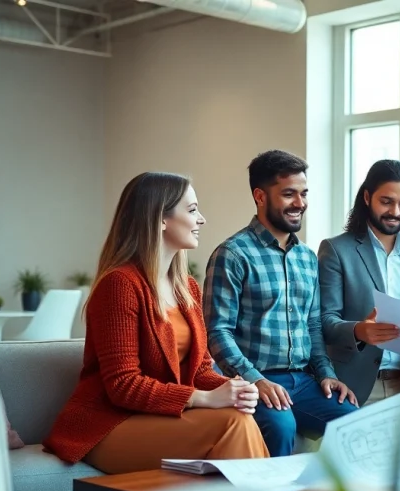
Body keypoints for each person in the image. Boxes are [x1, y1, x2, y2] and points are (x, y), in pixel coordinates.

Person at [43, 172, 268, 473]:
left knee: (239, 416)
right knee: (232, 423)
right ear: (161, 218)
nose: (201, 219)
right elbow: (123, 385)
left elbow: (200, 370)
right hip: (109, 425)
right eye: (192, 210)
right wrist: (204, 398)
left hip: (160, 417)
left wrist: (233, 388)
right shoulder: (119, 284)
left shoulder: (187, 288)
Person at [204, 150, 357, 457]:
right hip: (253, 378)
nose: (300, 203)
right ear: (260, 196)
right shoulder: (232, 254)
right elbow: (217, 332)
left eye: (304, 193)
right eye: (289, 194)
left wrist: (327, 374)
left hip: (304, 380)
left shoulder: (307, 257)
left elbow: (313, 326)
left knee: (356, 423)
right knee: (281, 426)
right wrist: (256, 380)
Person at [318, 160, 400, 406]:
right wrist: (358, 331)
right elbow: (323, 321)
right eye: (386, 201)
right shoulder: (336, 250)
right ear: (367, 197)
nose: (395, 211)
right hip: (354, 388)